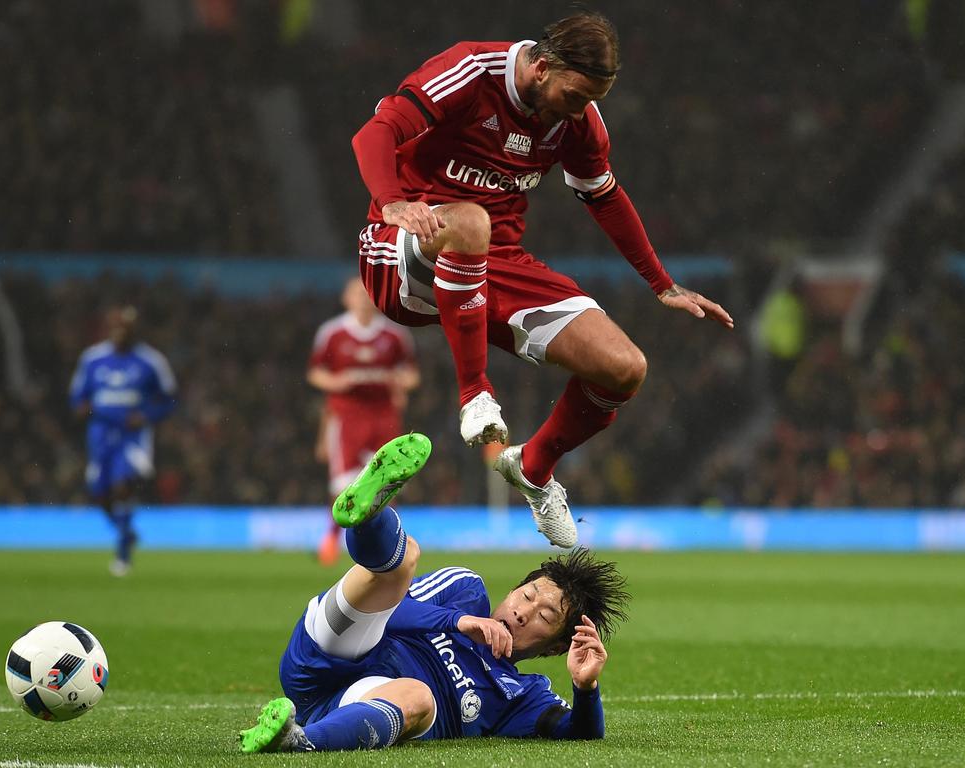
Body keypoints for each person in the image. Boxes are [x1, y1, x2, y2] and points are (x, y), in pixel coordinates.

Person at [351, 12, 734, 548]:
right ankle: (474, 393)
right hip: (401, 250)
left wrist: (661, 283)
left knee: (623, 368)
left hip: (495, 259)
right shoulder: (471, 70)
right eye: (575, 95)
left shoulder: (579, 119)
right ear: (540, 65)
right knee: (471, 224)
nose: (580, 110)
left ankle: (532, 469)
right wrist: (393, 202)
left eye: (590, 99)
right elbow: (377, 130)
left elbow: (603, 195)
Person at [239, 433, 629, 753]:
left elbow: (580, 734)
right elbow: (392, 611)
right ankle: (369, 517)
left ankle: (300, 742)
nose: (525, 612)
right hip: (330, 653)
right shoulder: (465, 590)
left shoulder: (523, 696)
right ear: (513, 591)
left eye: (545, 617)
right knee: (404, 559)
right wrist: (458, 620)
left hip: (360, 701)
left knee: (420, 697)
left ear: (554, 649)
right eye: (528, 596)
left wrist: (586, 687)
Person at [307, 277, 420, 565]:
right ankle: (332, 538)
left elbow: (411, 375)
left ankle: (389, 541)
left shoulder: (394, 335)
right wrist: (337, 382)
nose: (363, 298)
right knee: (344, 483)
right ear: (347, 298)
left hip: (384, 416)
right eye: (358, 293)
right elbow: (315, 373)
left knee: (388, 480)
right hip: (347, 416)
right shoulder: (333, 333)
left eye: (368, 293)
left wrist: (399, 383)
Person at [68, 306, 177, 576]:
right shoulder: (92, 359)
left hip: (133, 436)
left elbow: (170, 398)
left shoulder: (151, 361)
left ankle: (123, 555)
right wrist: (81, 408)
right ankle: (125, 531)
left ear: (133, 331)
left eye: (125, 330)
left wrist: (147, 415)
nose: (120, 334)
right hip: (100, 433)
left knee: (122, 485)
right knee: (99, 492)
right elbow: (76, 397)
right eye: (115, 329)